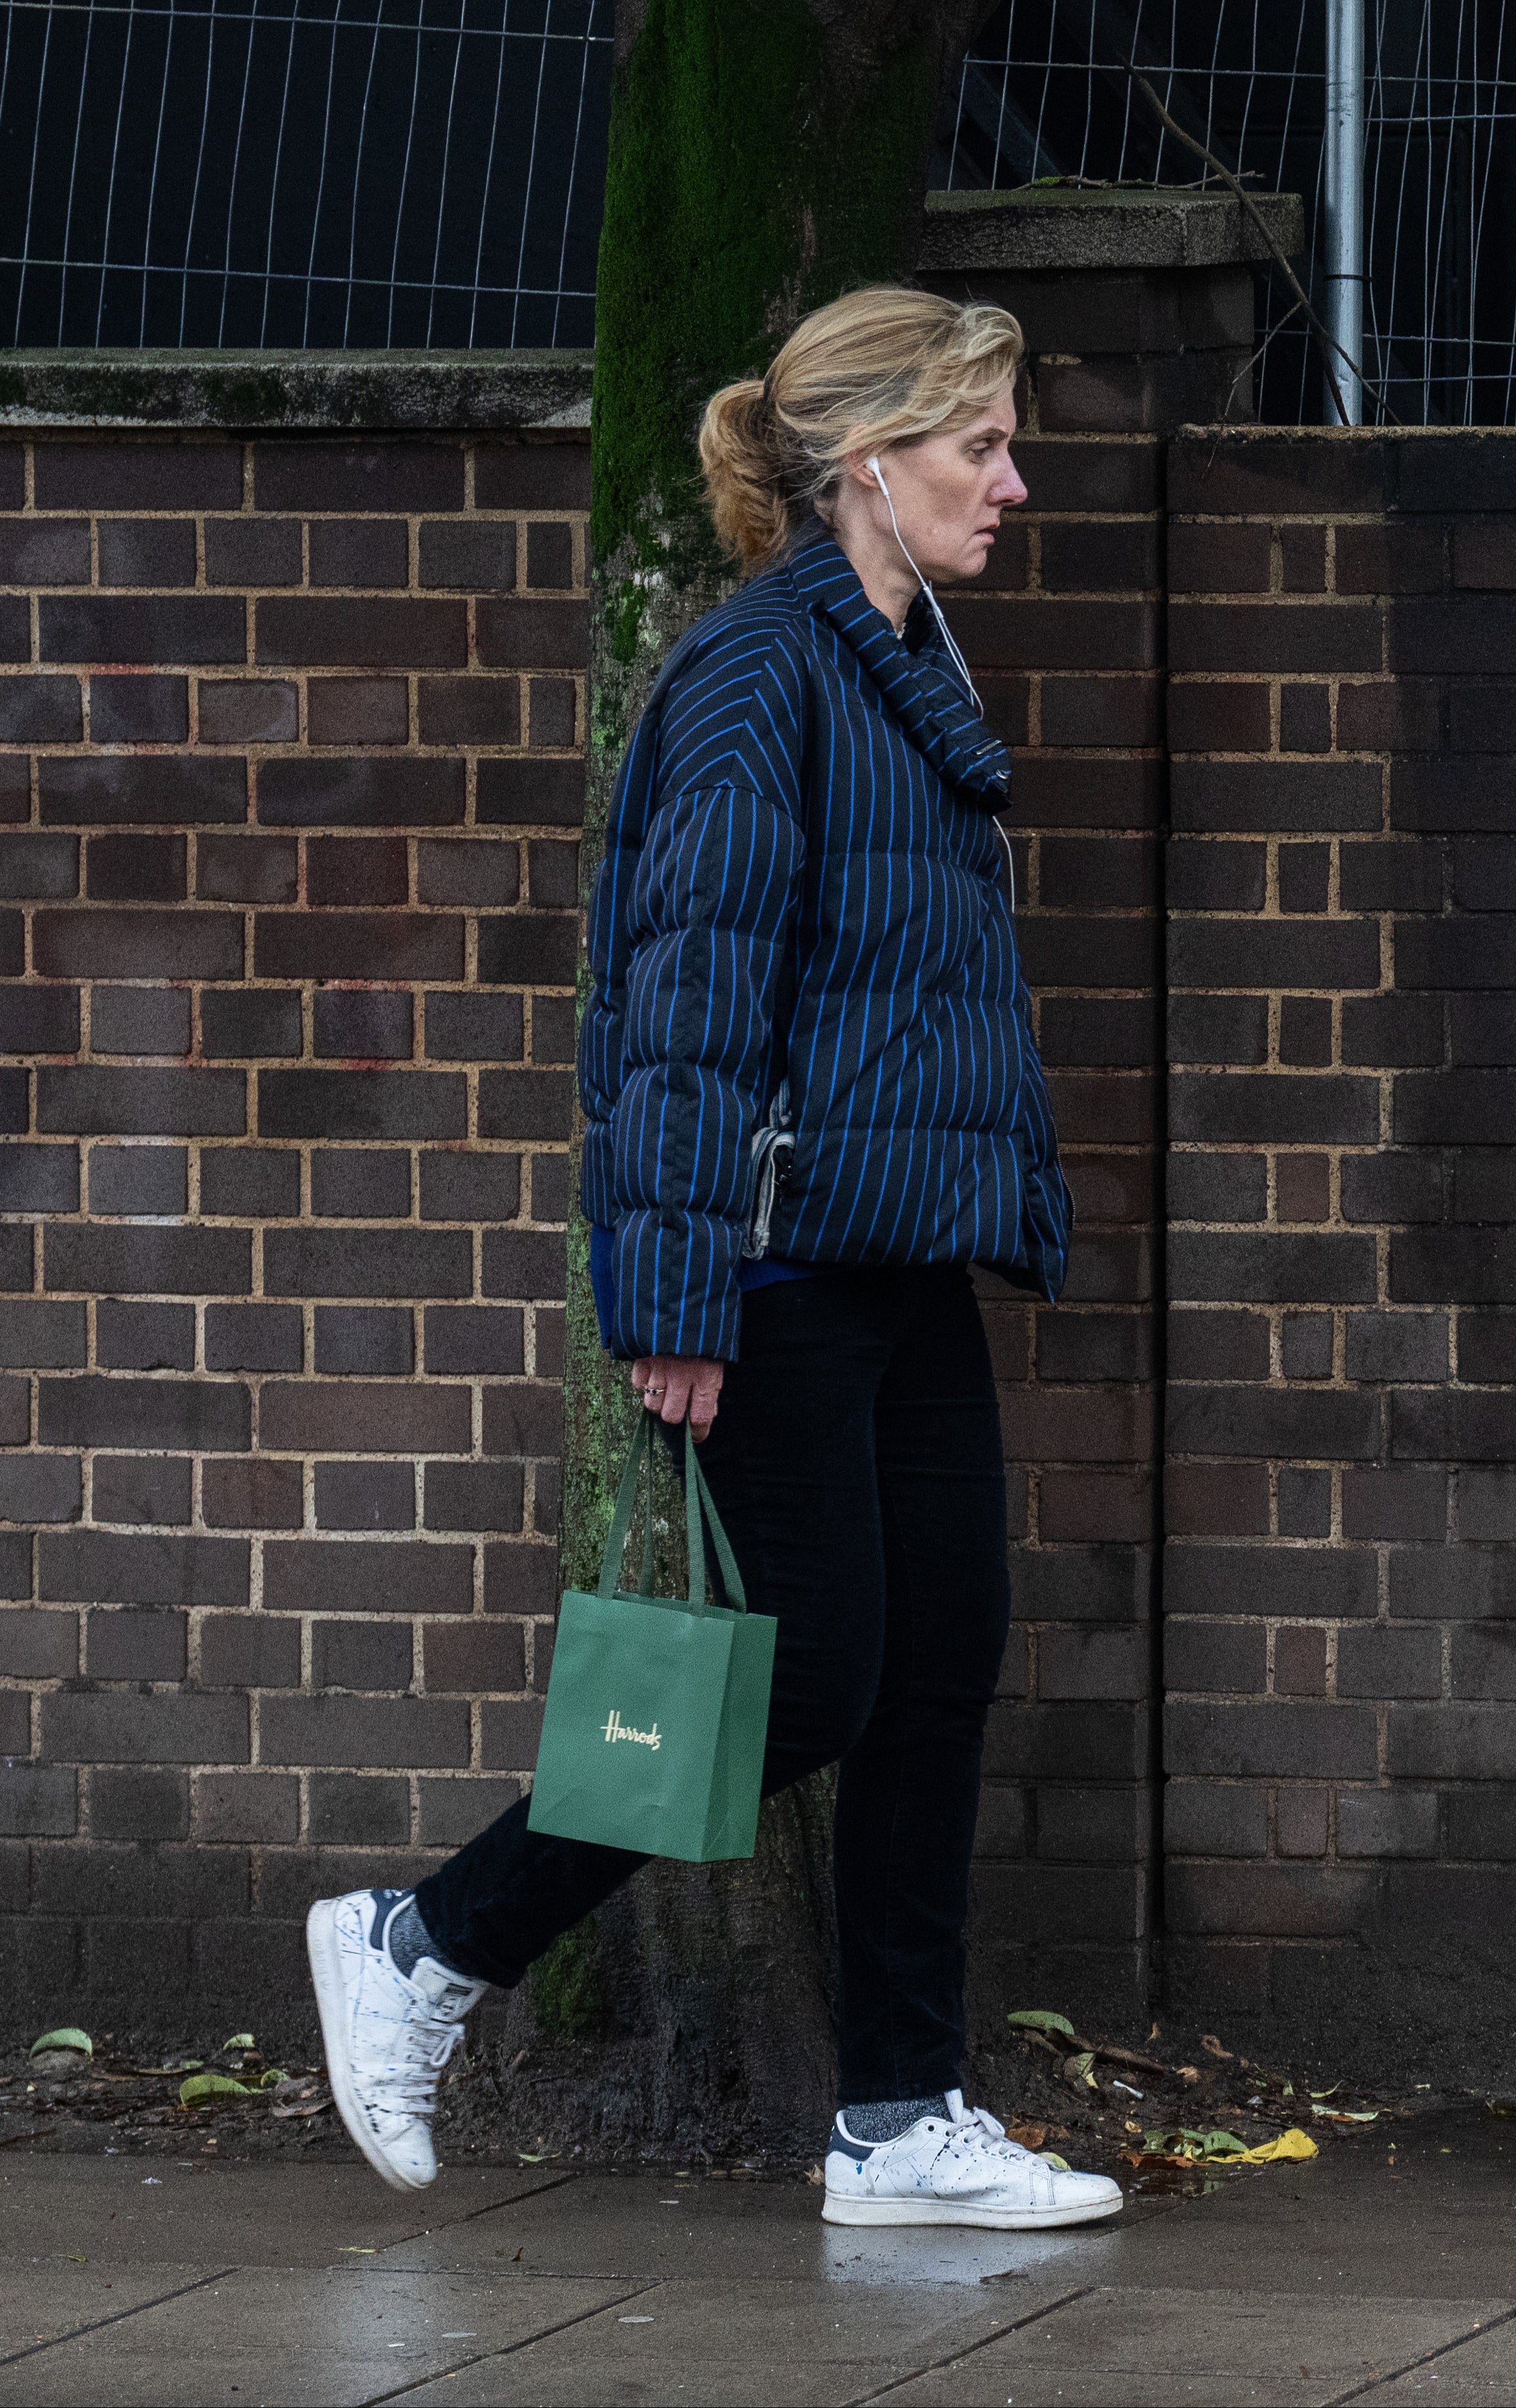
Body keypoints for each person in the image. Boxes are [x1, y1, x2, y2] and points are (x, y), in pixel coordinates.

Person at [303, 284, 1119, 2231]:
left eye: (1010, 441)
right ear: (868, 465)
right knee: (820, 1679)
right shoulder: (758, 679)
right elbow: (682, 1005)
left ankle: (899, 2119)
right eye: (978, 445)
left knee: (943, 1663)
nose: (1013, 480)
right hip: (766, 1266)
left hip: (896, 1247)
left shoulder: (906, 651)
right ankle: (425, 1943)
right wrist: (668, 1300)